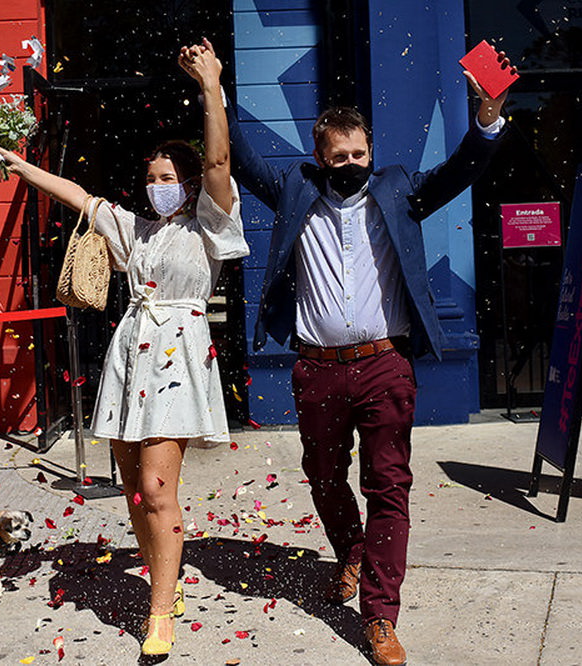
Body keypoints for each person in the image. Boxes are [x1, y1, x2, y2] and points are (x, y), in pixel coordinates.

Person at [224, 38, 516, 665]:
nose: (351, 162)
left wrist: (486, 120)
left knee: (389, 485)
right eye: (339, 156)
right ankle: (352, 548)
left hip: (385, 364)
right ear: (319, 157)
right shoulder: (296, 191)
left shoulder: (399, 189)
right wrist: (214, 89)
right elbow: (241, 160)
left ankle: (380, 617)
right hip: (318, 368)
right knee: (324, 478)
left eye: (360, 153)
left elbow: (462, 170)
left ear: (372, 153)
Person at [0, 40, 247, 656]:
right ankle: (165, 573)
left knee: (160, 488)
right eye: (151, 178)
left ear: (187, 185)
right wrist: (18, 165)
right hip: (130, 353)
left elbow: (217, 163)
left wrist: (210, 87)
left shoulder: (210, 223)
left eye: (168, 179)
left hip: (178, 355)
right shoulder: (136, 228)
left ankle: (161, 610)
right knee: (135, 487)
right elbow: (78, 195)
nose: (157, 187)